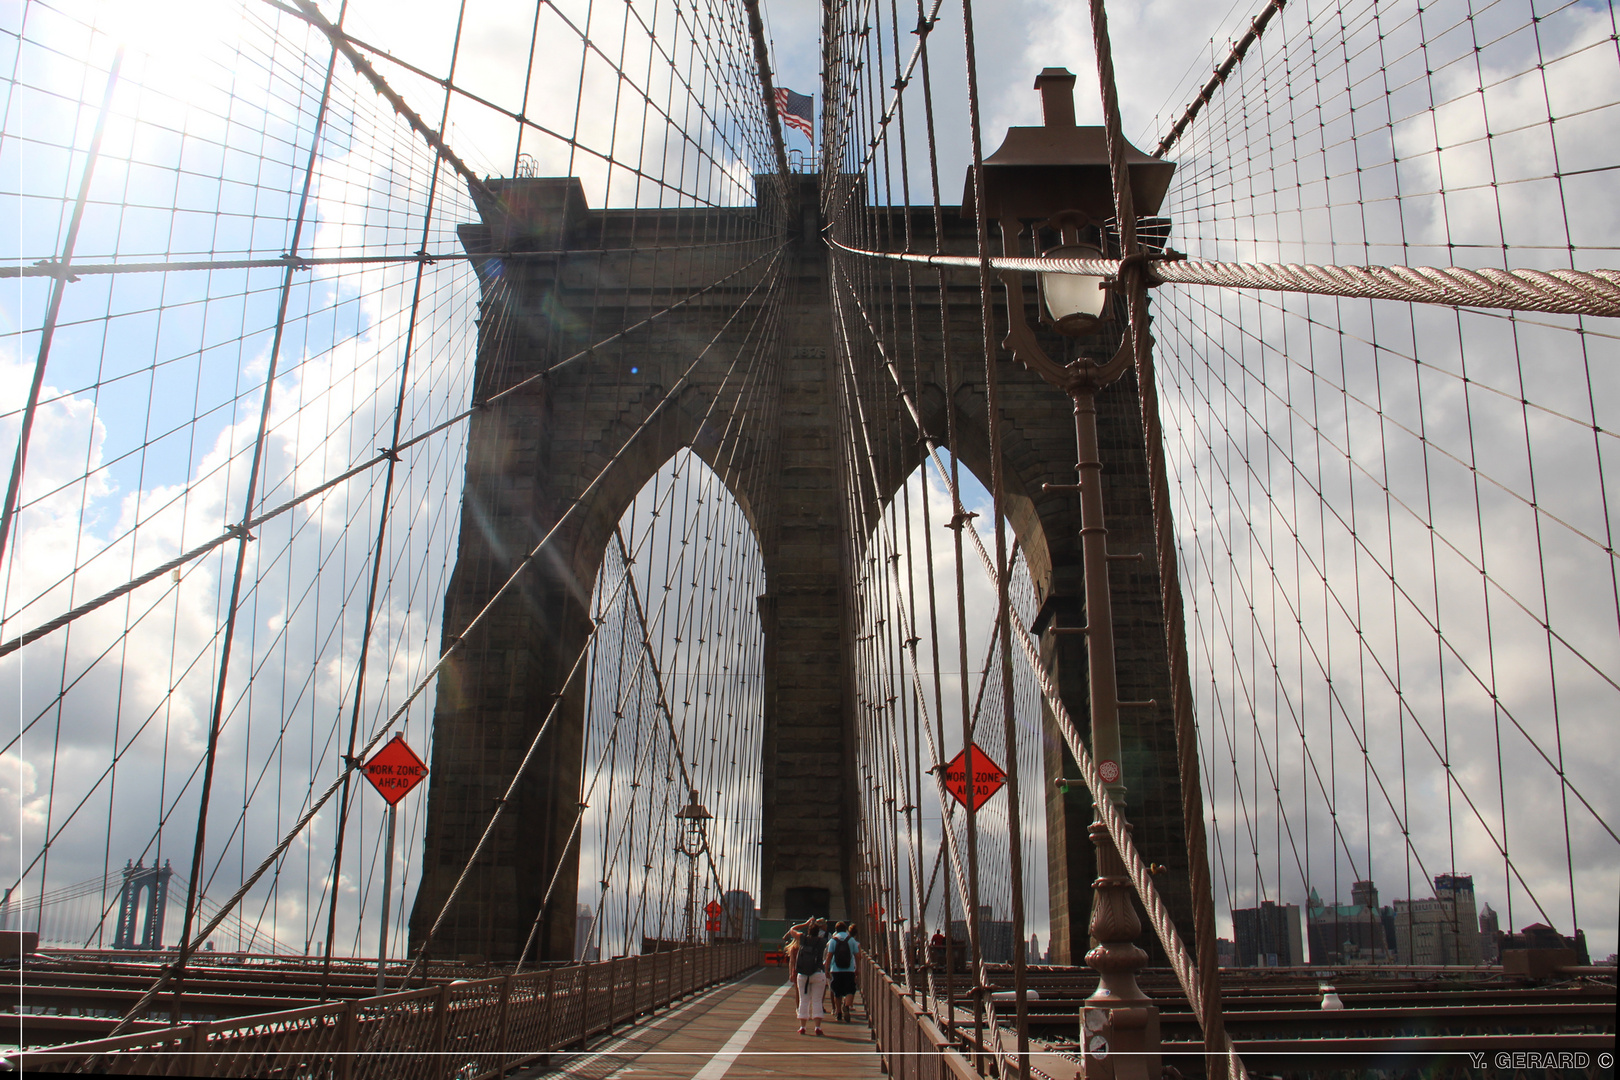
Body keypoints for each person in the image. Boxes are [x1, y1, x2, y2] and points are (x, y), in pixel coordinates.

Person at [788, 916, 830, 1035]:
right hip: (818, 973)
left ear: (808, 931)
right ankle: (817, 1028)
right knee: (817, 1001)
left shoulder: (803, 939)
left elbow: (792, 930)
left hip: (803, 975)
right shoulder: (822, 942)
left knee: (803, 1000)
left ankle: (803, 1027)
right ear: (819, 932)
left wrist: (805, 924)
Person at [826, 920, 860, 1022]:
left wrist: (827, 969)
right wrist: (857, 968)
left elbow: (829, 956)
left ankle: (839, 1012)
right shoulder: (851, 940)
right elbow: (857, 956)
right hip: (849, 970)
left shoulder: (833, 940)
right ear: (846, 929)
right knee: (850, 990)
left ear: (836, 930)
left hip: (835, 970)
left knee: (837, 992)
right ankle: (846, 1006)